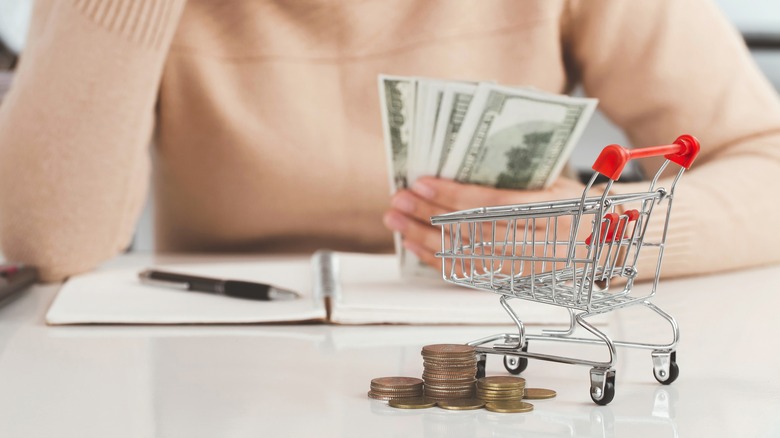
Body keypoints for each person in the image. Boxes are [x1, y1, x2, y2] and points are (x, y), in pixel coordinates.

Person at [0, 0, 779, 283]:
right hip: (229, 384)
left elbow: (765, 160)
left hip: (502, 371)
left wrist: (599, 236)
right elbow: (37, 239)